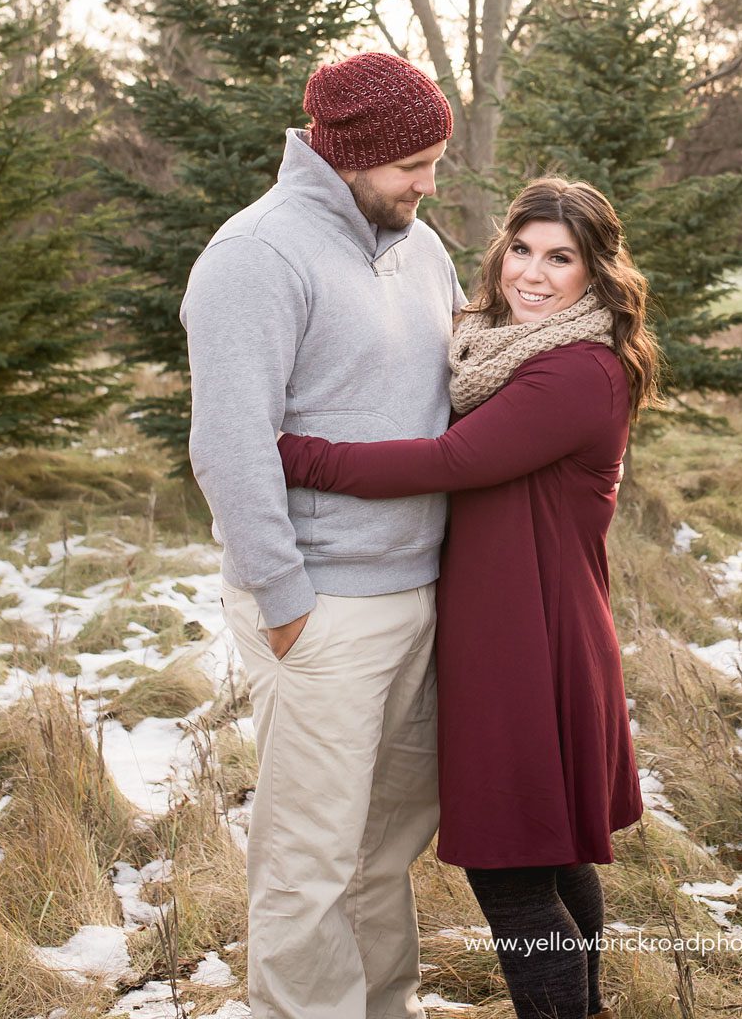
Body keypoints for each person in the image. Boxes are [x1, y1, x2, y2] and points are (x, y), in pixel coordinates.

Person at [277, 177, 661, 1019]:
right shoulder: (506, 348)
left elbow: (450, 461)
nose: (532, 273)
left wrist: (295, 455)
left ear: (595, 273)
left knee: (512, 875)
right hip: (529, 629)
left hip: (528, 644)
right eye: (521, 249)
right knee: (553, 858)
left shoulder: (575, 371)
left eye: (560, 258)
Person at [180, 51, 466, 1019]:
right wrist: (283, 598)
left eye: (436, 162)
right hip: (322, 608)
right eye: (414, 165)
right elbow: (229, 442)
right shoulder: (256, 255)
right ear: (350, 155)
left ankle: (383, 1006)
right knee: (311, 857)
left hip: (421, 593)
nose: (430, 184)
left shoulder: (422, 248)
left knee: (387, 845)